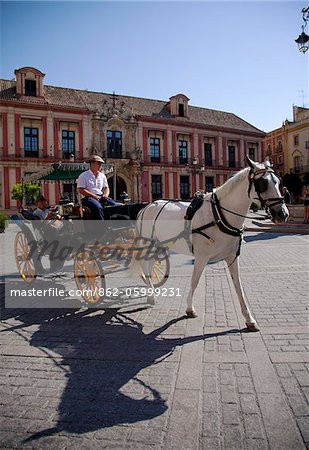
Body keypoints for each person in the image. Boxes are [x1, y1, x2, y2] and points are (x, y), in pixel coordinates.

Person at [77, 154, 117, 220]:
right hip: (88, 198)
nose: (100, 165)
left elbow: (106, 188)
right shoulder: (83, 175)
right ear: (92, 164)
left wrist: (105, 195)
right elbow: (81, 189)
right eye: (98, 163)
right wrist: (94, 196)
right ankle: (102, 227)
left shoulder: (102, 176)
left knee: (115, 205)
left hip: (101, 196)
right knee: (98, 207)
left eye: (100, 164)